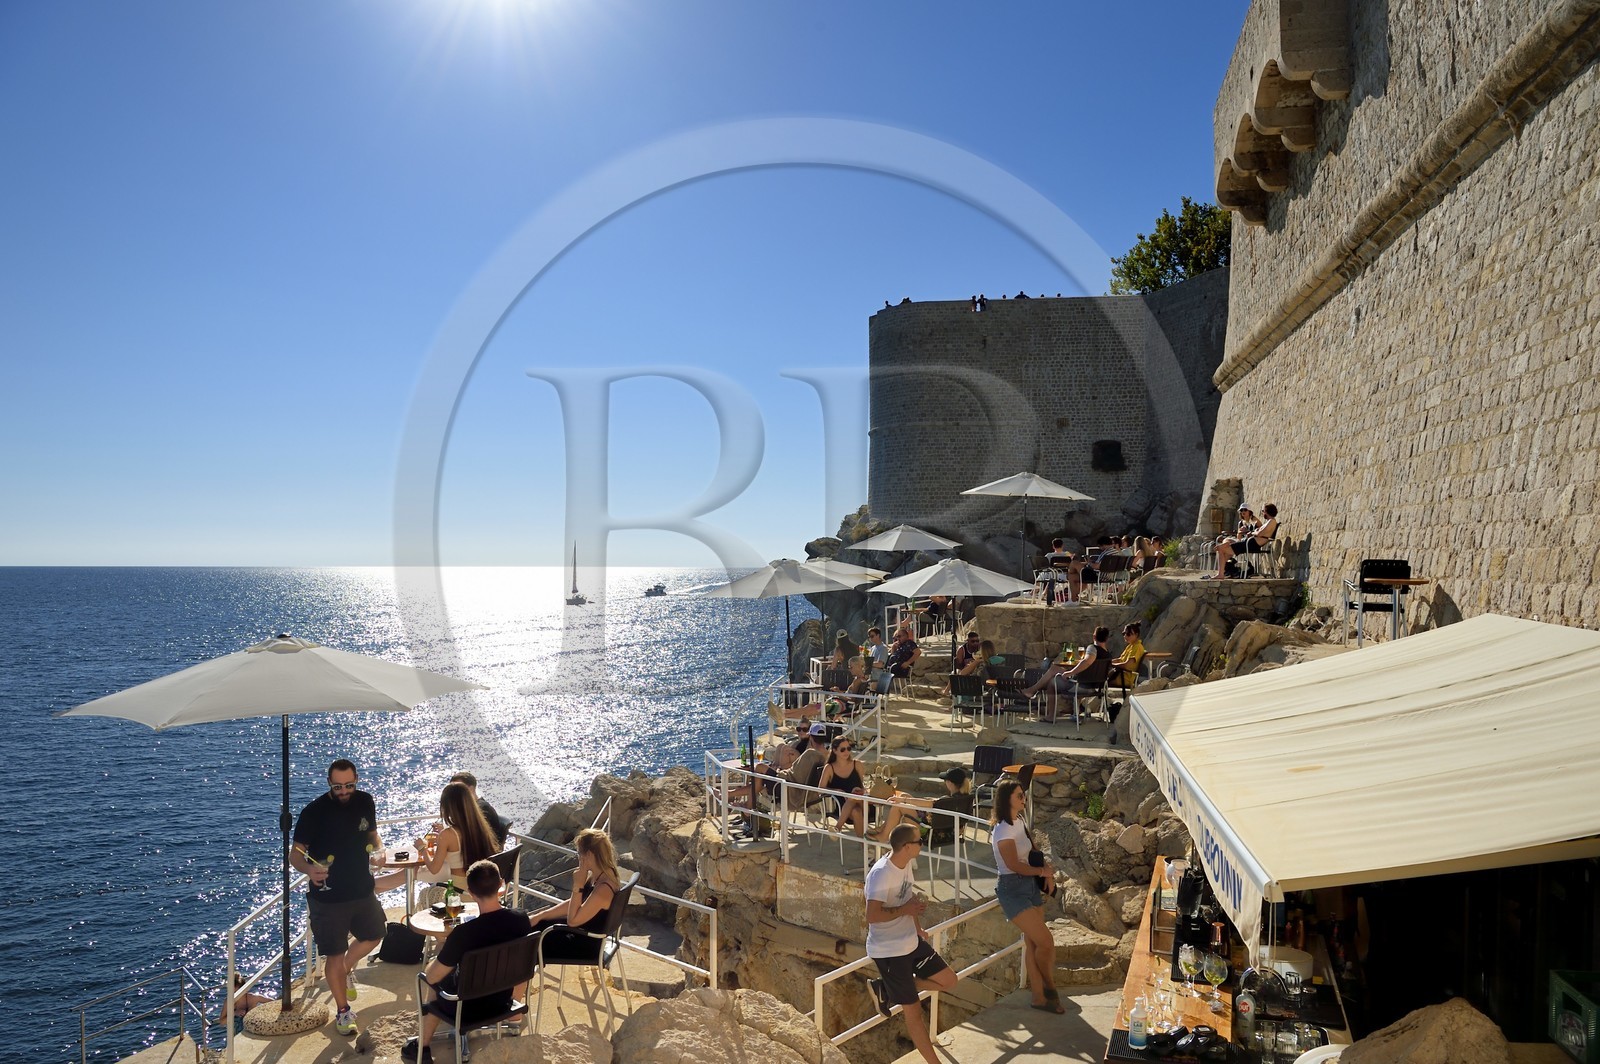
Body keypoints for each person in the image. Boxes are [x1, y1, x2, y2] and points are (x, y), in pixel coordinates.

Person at [402, 859, 533, 1064]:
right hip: (503, 1002)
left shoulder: (463, 934)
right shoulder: (521, 919)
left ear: (471, 893)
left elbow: (432, 977)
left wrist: (441, 954)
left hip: (465, 1010)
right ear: (501, 884)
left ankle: (422, 1045)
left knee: (434, 978)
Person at [290, 759, 385, 1037]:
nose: (344, 791)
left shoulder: (365, 801)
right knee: (333, 955)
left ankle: (345, 969)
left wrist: (379, 850)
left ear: (357, 779)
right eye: (338, 787)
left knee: (375, 935)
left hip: (362, 889)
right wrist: (309, 870)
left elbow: (373, 835)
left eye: (349, 785)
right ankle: (344, 1011)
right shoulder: (313, 812)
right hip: (328, 897)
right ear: (329, 783)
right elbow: (295, 854)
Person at [864, 824, 959, 1063]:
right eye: (919, 842)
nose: (922, 845)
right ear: (907, 846)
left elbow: (908, 897)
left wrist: (917, 927)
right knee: (914, 1014)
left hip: (910, 941)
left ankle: (888, 988)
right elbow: (872, 915)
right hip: (889, 951)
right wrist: (905, 910)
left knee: (949, 980)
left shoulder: (905, 864)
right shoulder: (881, 874)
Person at [991, 779, 1061, 1014]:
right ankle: (1050, 988)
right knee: (1046, 942)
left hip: (1029, 885)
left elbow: (1032, 850)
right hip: (1012, 889)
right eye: (1019, 796)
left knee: (1033, 943)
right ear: (1007, 800)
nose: (1024, 799)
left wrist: (1046, 872)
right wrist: (1042, 872)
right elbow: (1013, 865)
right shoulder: (1002, 830)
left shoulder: (1019, 821)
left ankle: (1039, 997)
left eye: (1024, 795)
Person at [526, 827, 623, 965]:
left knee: (531, 940)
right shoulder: (600, 875)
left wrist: (578, 885)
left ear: (588, 855)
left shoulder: (604, 889)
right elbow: (575, 904)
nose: (578, 857)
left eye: (579, 853)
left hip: (585, 945)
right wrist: (541, 915)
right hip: (580, 934)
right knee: (538, 924)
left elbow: (573, 921)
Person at [406, 781, 500, 896]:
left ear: (448, 807)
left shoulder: (448, 834)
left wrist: (422, 848)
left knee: (425, 894)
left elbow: (434, 869)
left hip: (461, 893)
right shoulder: (481, 827)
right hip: (482, 890)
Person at [1021, 626, 1113, 723]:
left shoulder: (1093, 648)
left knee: (1052, 682)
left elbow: (1087, 661)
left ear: (1094, 636)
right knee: (1054, 670)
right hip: (1094, 688)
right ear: (1106, 638)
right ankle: (1032, 691)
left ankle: (1047, 711)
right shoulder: (1108, 654)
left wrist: (1070, 672)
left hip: (1081, 686)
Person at [870, 765, 973, 844]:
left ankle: (883, 836)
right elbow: (935, 803)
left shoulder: (946, 801)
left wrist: (903, 800)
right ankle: (883, 828)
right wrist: (906, 799)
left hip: (931, 832)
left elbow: (931, 804)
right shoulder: (962, 799)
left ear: (950, 783)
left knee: (898, 806)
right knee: (905, 796)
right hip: (950, 832)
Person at [817, 736, 867, 836]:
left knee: (853, 797)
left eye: (848, 748)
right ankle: (864, 844)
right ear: (835, 750)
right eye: (842, 749)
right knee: (856, 811)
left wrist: (860, 790)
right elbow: (820, 790)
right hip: (843, 807)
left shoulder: (857, 764)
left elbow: (864, 786)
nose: (846, 752)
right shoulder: (829, 768)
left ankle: (837, 828)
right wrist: (837, 791)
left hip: (863, 803)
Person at [1214, 502, 1279, 578]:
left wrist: (1252, 532)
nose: (1262, 513)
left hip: (1251, 544)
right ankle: (1222, 572)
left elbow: (1259, 533)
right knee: (1222, 549)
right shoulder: (1269, 522)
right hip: (1249, 542)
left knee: (1221, 549)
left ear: (1267, 511)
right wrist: (1253, 532)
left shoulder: (1271, 521)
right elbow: (1258, 532)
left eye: (1263, 511)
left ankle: (1221, 573)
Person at [1106, 623, 1146, 744]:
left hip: (1125, 677)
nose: (1126, 636)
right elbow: (1120, 659)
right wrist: (1108, 662)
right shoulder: (1130, 646)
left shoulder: (1137, 647)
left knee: (1099, 679)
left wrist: (1111, 665)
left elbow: (1127, 664)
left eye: (1129, 634)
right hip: (1120, 674)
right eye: (1124, 633)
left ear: (1136, 635)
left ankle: (1083, 702)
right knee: (1100, 675)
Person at [450, 771, 511, 847]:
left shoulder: (482, 808)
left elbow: (474, 835)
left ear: (471, 789)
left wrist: (449, 833)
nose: (454, 793)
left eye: (458, 789)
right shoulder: (470, 808)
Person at [879, 626, 920, 694]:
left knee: (885, 670)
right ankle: (879, 692)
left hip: (902, 668)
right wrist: (893, 648)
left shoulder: (909, 643)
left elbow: (918, 652)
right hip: (894, 666)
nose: (897, 639)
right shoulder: (898, 645)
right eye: (895, 637)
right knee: (880, 668)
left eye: (899, 636)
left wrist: (908, 662)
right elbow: (892, 656)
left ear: (905, 636)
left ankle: (883, 693)